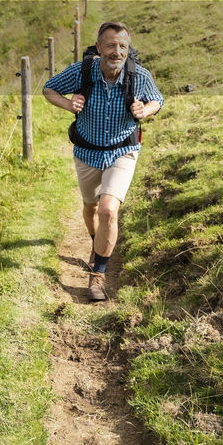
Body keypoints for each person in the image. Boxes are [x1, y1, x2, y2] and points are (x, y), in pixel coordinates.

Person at [42, 21, 163, 301]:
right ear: (99, 48)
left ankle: (98, 274)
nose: (116, 51)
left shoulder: (138, 76)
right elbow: (49, 89)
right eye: (110, 45)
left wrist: (145, 109)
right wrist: (68, 104)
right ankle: (97, 245)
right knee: (91, 207)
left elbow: (158, 99)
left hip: (122, 151)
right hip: (87, 152)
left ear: (128, 49)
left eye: (122, 46)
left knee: (109, 209)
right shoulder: (82, 71)